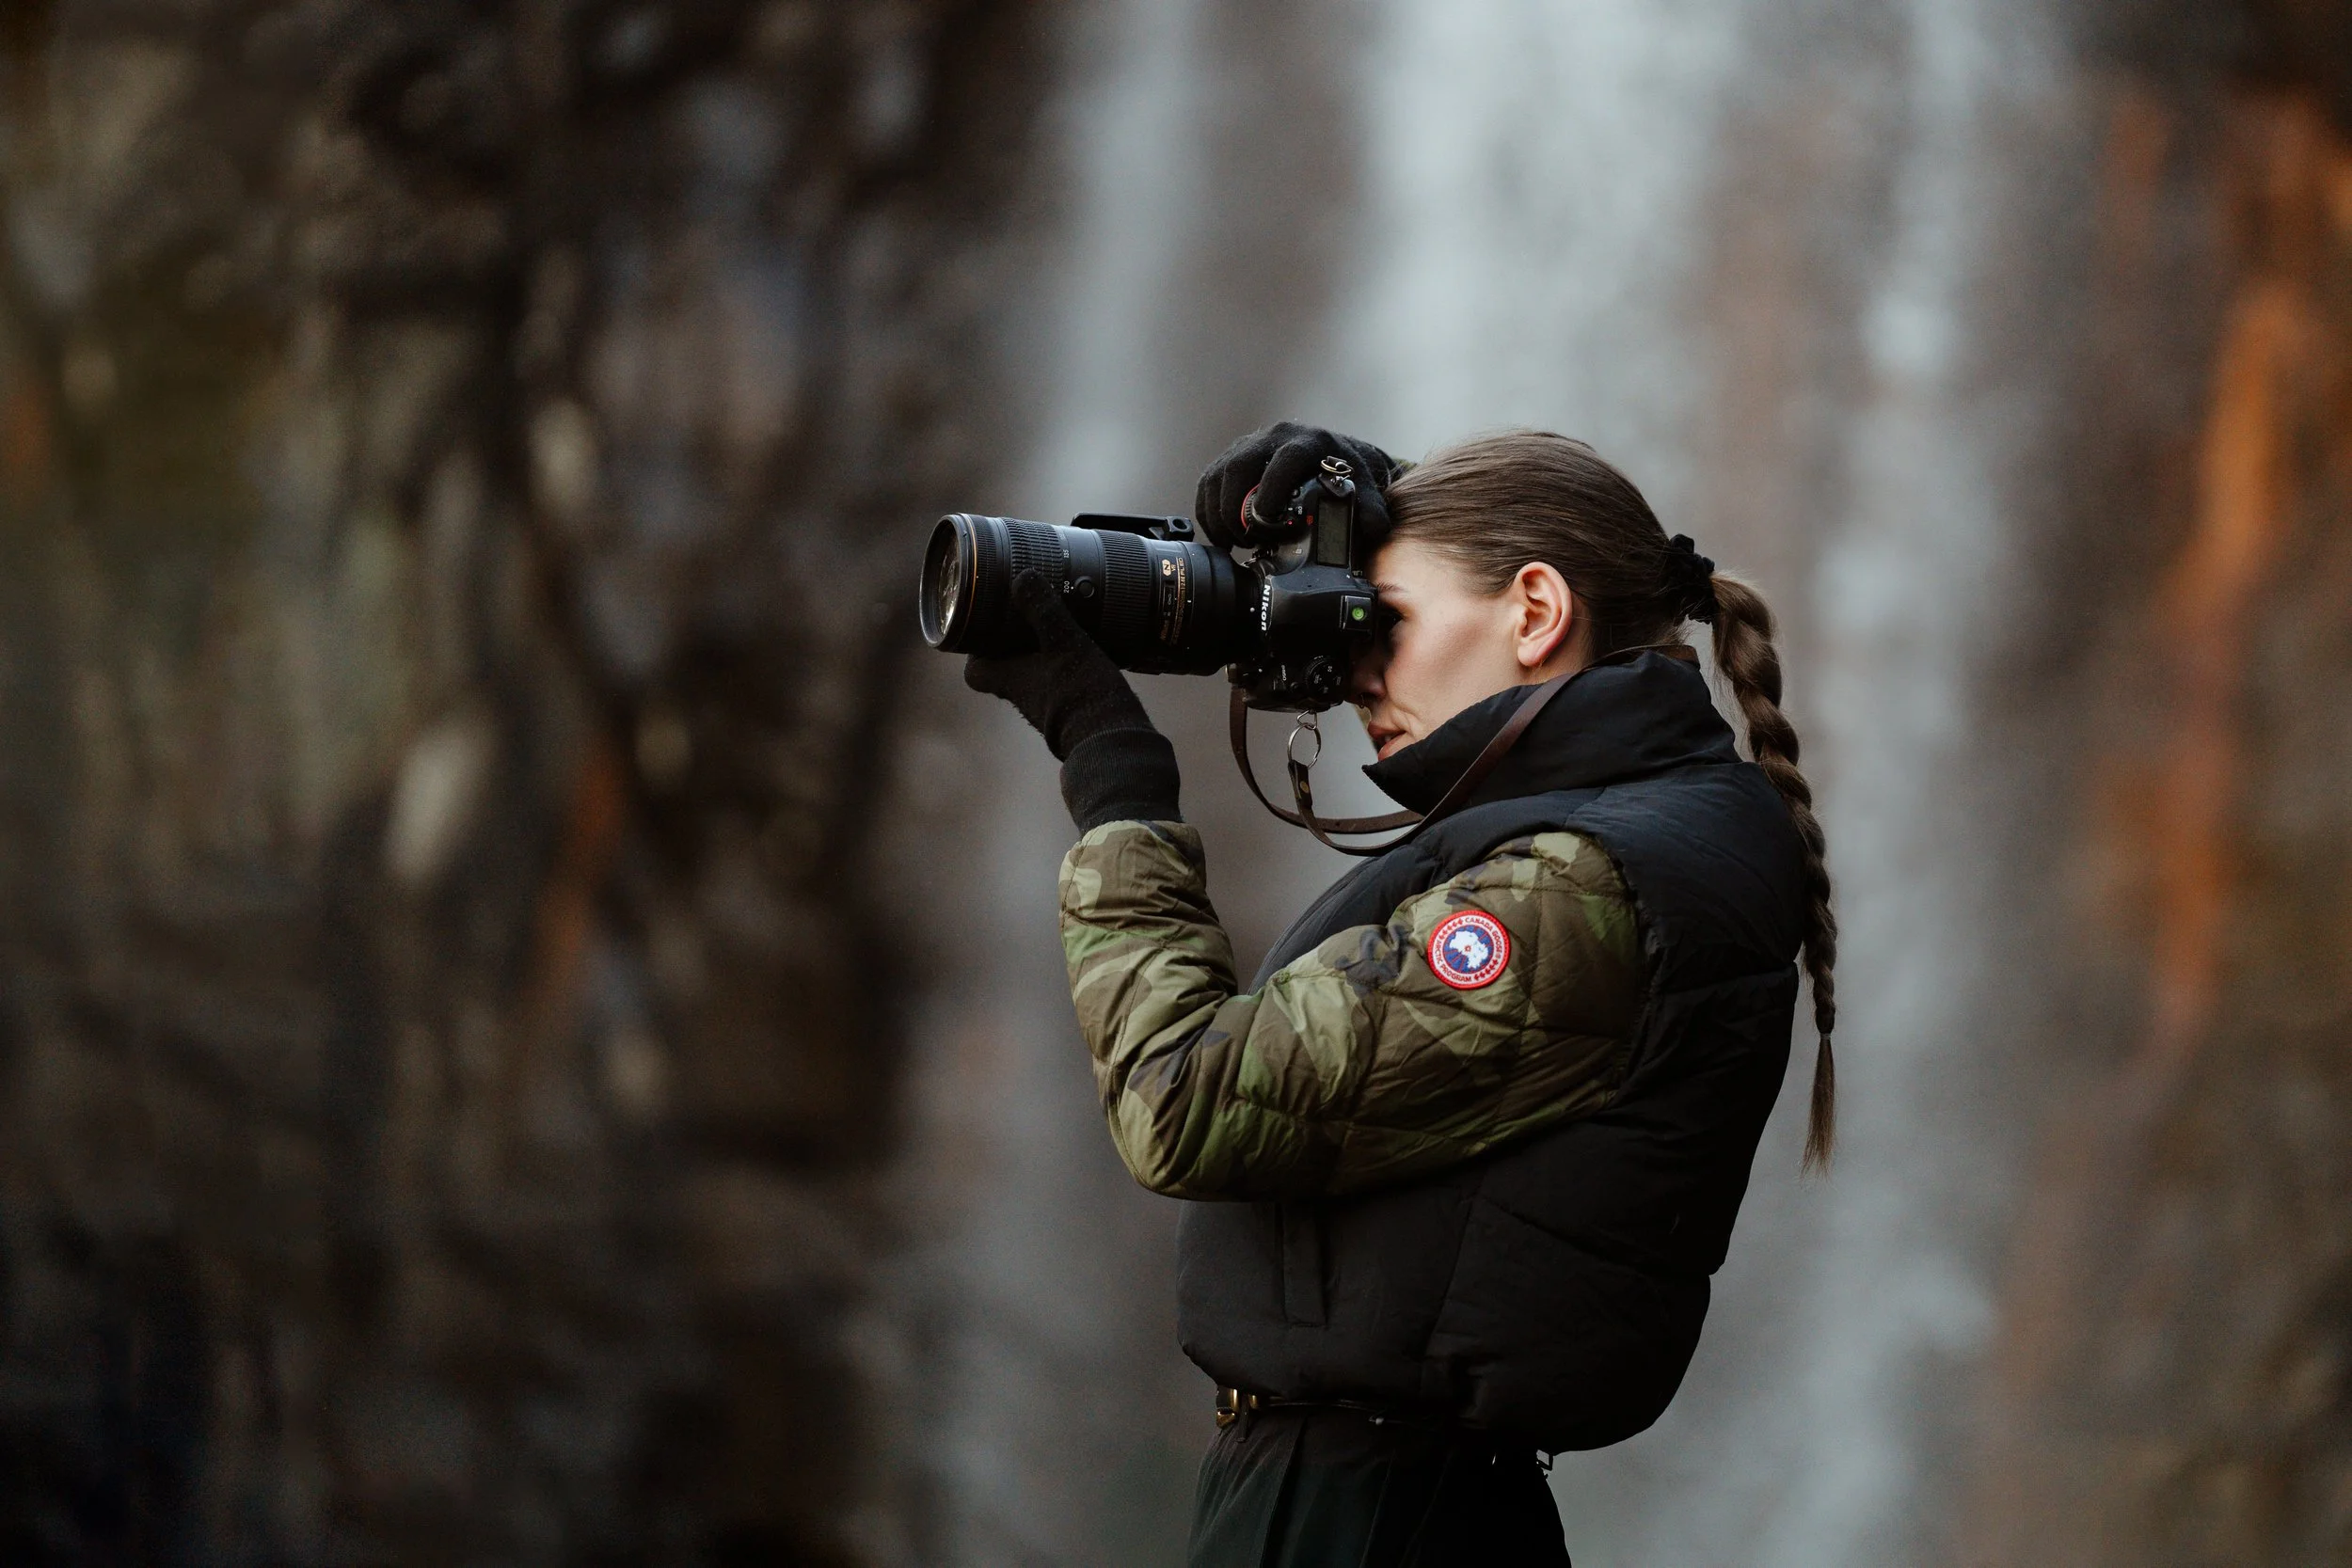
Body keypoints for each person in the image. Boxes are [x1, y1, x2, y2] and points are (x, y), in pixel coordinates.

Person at [964, 425, 1836, 1567]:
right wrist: (1339, 503)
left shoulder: (1581, 885)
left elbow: (1184, 1099)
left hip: (1368, 1522)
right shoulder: (1625, 829)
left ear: (1534, 610)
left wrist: (1114, 772)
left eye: (1386, 620)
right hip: (1388, 1506)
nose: (1358, 667)